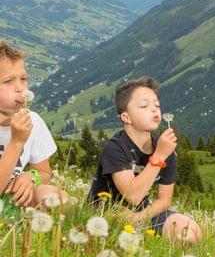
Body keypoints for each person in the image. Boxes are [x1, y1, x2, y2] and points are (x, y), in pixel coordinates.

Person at [90, 76, 202, 244]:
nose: (154, 110)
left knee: (191, 232)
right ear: (126, 117)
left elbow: (164, 200)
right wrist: (158, 157)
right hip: (106, 218)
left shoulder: (165, 148)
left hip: (142, 215)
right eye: (144, 106)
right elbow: (133, 195)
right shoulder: (115, 148)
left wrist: (138, 218)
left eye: (157, 105)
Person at [0, 39, 65, 216]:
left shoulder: (32, 121)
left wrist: (31, 177)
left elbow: (44, 172)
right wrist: (16, 141)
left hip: (13, 202)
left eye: (23, 79)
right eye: (8, 81)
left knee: (55, 196)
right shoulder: (20, 134)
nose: (20, 88)